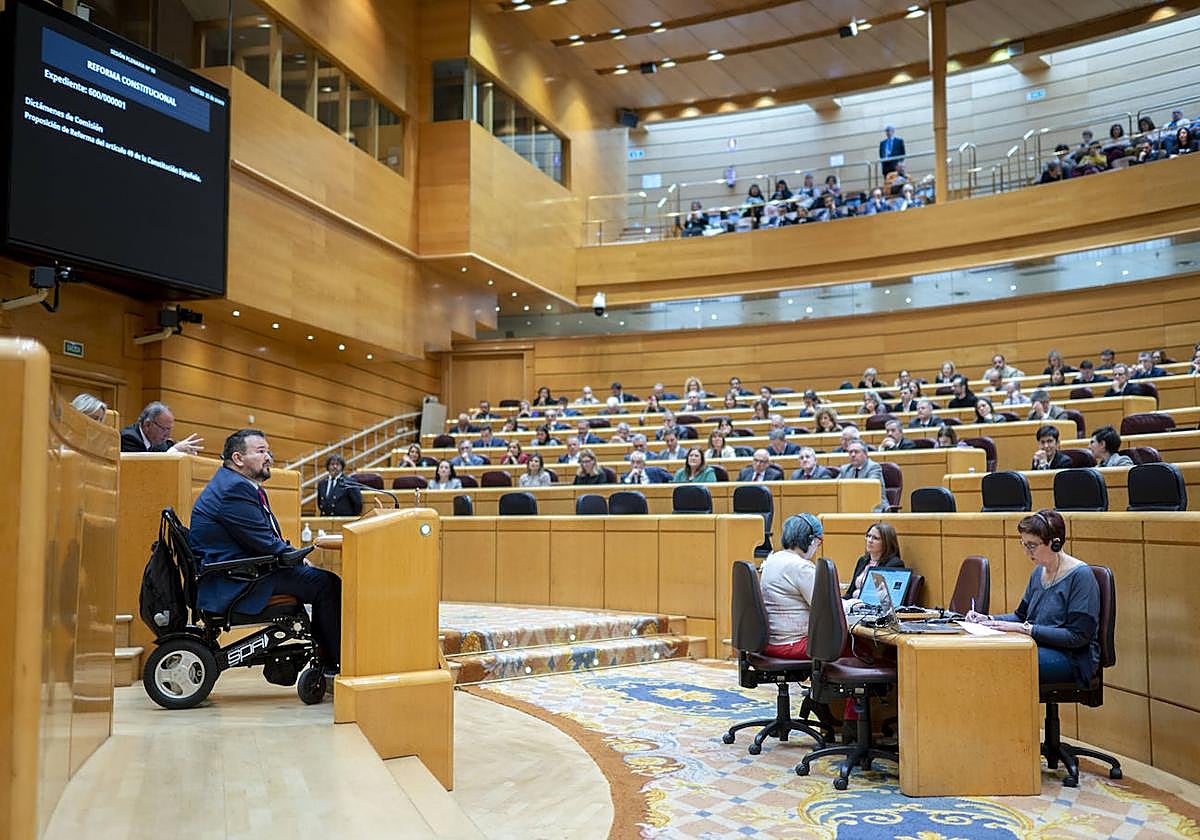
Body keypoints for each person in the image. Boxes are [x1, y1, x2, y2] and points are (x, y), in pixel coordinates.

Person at [189, 429, 341, 673]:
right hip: (237, 580)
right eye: (261, 451)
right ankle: (333, 662)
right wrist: (298, 559)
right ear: (238, 459)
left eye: (268, 451)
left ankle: (328, 654)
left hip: (244, 570)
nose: (269, 456)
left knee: (321, 580)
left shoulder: (235, 483)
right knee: (327, 584)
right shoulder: (233, 490)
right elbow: (266, 544)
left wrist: (293, 557)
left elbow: (263, 540)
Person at [966, 510, 1100, 688]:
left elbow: (1077, 636)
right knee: (985, 656)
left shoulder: (1081, 576)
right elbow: (1020, 616)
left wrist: (1026, 630)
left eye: (1032, 545)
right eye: (1024, 544)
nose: (1026, 551)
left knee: (1001, 664)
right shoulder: (1039, 572)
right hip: (1038, 646)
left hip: (1072, 658)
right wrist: (989, 619)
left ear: (1055, 544)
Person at [845, 522, 904, 599]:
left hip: (872, 608)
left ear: (886, 542)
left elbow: (882, 597)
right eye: (868, 536)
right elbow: (850, 592)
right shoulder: (862, 560)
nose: (870, 540)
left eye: (875, 538)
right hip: (854, 605)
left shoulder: (894, 564)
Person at [120, 401, 204, 454]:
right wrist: (174, 451)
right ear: (147, 425)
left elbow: (169, 448)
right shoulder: (128, 439)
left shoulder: (161, 443)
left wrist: (186, 451)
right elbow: (144, 468)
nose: (167, 435)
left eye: (170, 429)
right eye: (164, 429)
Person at [840, 441, 887, 512]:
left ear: (865, 454)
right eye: (850, 452)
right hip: (852, 507)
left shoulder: (874, 467)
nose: (853, 455)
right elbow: (835, 486)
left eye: (856, 452)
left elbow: (869, 489)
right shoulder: (845, 469)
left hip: (874, 508)